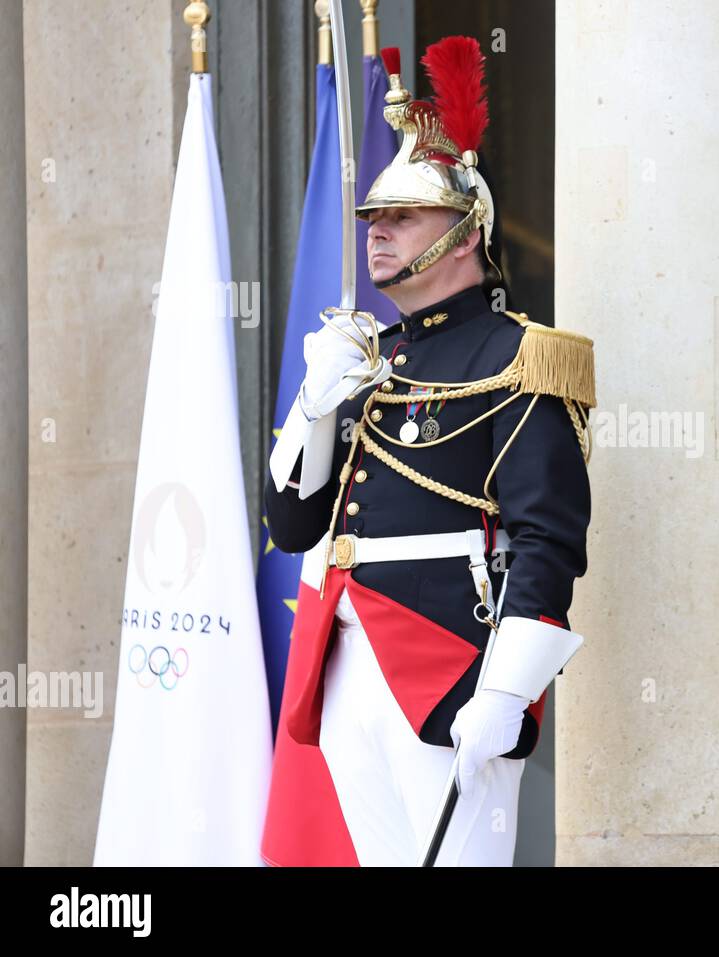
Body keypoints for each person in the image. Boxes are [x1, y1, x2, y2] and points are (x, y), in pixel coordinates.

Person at [263, 37, 594, 866]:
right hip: (346, 658)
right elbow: (293, 523)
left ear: (465, 229)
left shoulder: (520, 355)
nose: (378, 235)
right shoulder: (373, 361)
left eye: (402, 217)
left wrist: (511, 689)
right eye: (373, 219)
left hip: (451, 664)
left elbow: (549, 539)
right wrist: (312, 406)